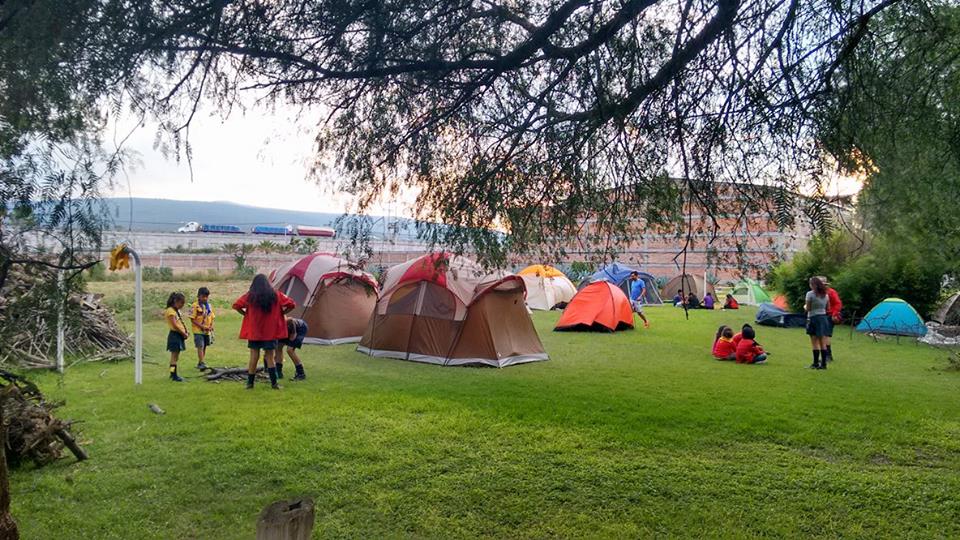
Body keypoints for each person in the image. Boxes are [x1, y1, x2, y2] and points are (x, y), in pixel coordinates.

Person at [233, 274, 296, 389]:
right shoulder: (276, 295)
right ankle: (274, 384)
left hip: (255, 332)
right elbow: (292, 304)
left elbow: (236, 305)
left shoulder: (250, 296)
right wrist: (282, 313)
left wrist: (245, 314)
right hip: (270, 332)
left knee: (253, 356)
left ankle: (250, 384)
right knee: (270, 357)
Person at [805, 276, 832, 370]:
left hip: (813, 318)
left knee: (814, 342)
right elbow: (828, 308)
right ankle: (824, 364)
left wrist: (805, 307)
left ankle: (815, 363)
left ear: (813, 285)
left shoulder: (810, 294)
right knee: (823, 342)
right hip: (823, 318)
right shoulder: (826, 295)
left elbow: (808, 308)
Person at [164, 292, 189, 382]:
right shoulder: (170, 311)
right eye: (181, 303)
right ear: (176, 301)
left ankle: (173, 374)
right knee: (174, 357)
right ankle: (174, 375)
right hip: (175, 336)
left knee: (175, 357)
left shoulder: (175, 311)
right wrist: (183, 333)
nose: (182, 305)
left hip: (179, 335)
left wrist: (186, 331)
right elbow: (175, 325)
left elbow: (179, 323)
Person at [189, 286, 215, 371]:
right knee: (200, 345)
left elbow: (212, 316)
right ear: (198, 296)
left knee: (204, 347)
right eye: (203, 296)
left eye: (206, 297)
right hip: (198, 330)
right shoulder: (195, 306)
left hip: (206, 331)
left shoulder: (209, 306)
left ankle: (201, 362)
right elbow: (192, 319)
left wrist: (211, 326)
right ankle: (202, 362)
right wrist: (202, 326)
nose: (205, 298)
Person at [819, 276, 843, 362]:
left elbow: (838, 304)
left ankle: (827, 356)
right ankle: (827, 356)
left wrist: (834, 314)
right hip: (821, 315)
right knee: (822, 335)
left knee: (826, 335)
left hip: (829, 315)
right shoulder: (818, 292)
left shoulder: (831, 292)